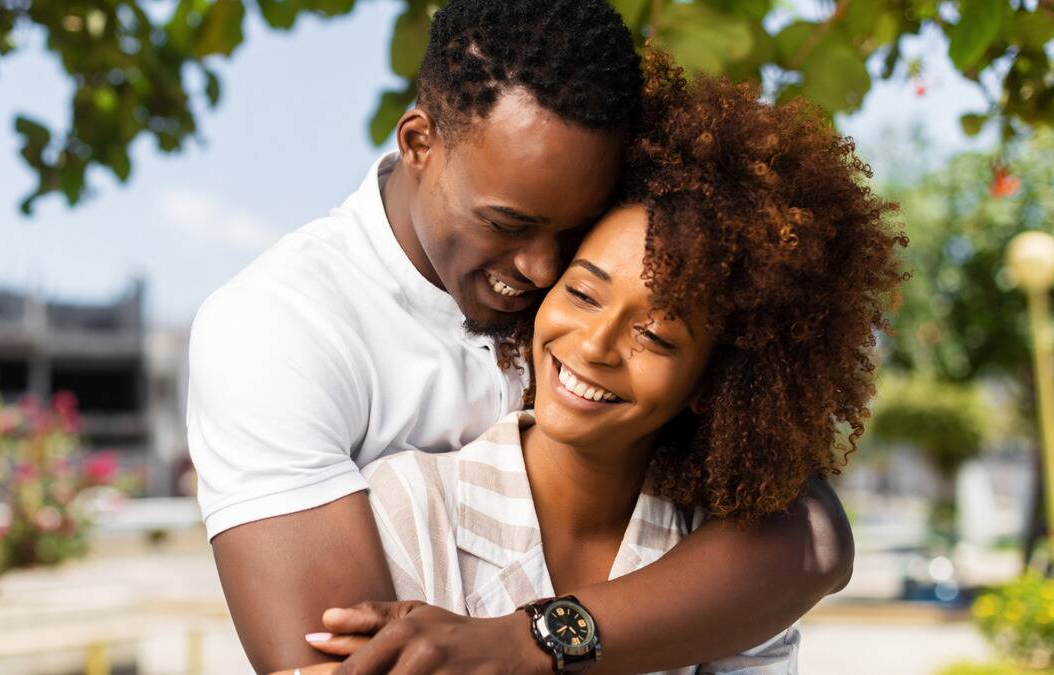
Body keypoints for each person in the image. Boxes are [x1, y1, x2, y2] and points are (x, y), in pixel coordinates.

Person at [187, 2, 858, 672]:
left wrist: (534, 637)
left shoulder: (605, 255)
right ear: (418, 143)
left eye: (572, 231)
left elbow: (814, 542)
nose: (543, 267)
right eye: (509, 223)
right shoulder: (275, 330)